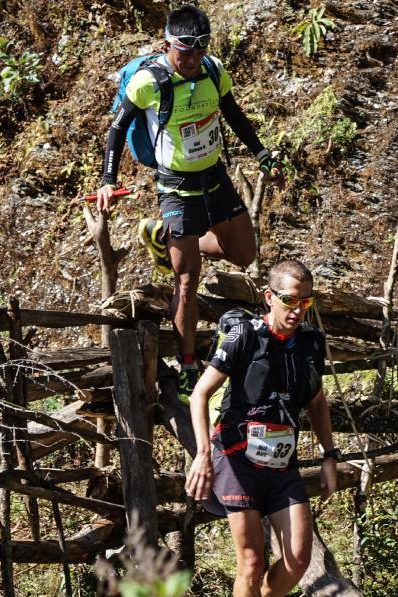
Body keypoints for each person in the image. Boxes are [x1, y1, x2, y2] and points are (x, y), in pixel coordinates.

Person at [96, 4, 281, 402]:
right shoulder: (148, 82)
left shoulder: (213, 70)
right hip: (176, 187)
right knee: (187, 280)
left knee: (244, 254)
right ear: (167, 45)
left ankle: (166, 238)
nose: (193, 59)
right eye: (185, 51)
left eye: (200, 50)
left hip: (215, 177)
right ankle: (188, 365)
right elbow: (117, 129)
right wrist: (108, 180)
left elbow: (233, 112)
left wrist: (261, 153)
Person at [186, 259, 339, 597]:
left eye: (305, 302)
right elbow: (199, 395)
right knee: (251, 561)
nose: (297, 309)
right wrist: (202, 455)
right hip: (236, 459)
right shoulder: (244, 337)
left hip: (281, 463)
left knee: (298, 559)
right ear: (269, 297)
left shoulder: (311, 342)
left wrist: (329, 455)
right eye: (290, 300)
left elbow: (317, 400)